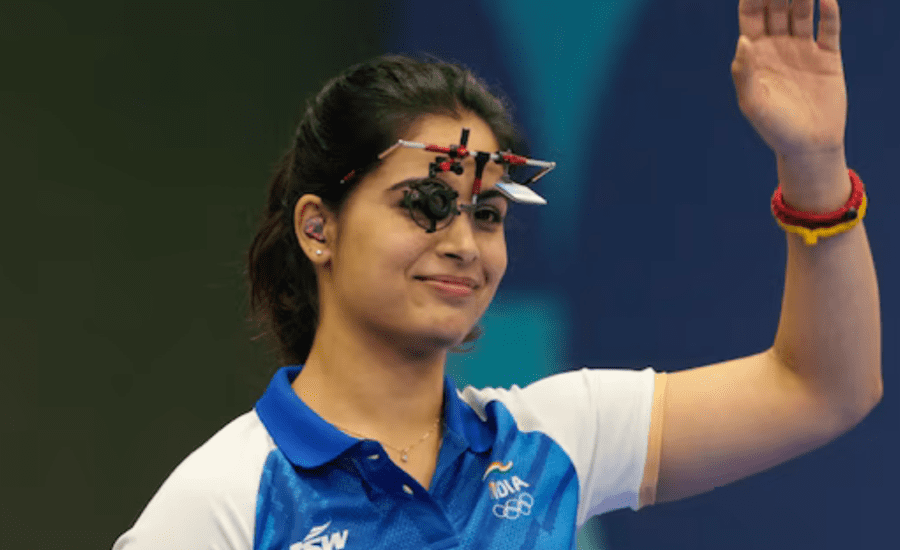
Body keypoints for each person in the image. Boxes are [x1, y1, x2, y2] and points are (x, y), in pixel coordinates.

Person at [113, 1, 881, 548]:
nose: (464, 243)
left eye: (488, 214)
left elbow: (822, 386)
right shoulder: (222, 502)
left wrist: (813, 163)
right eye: (425, 203)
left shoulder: (555, 441)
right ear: (319, 228)